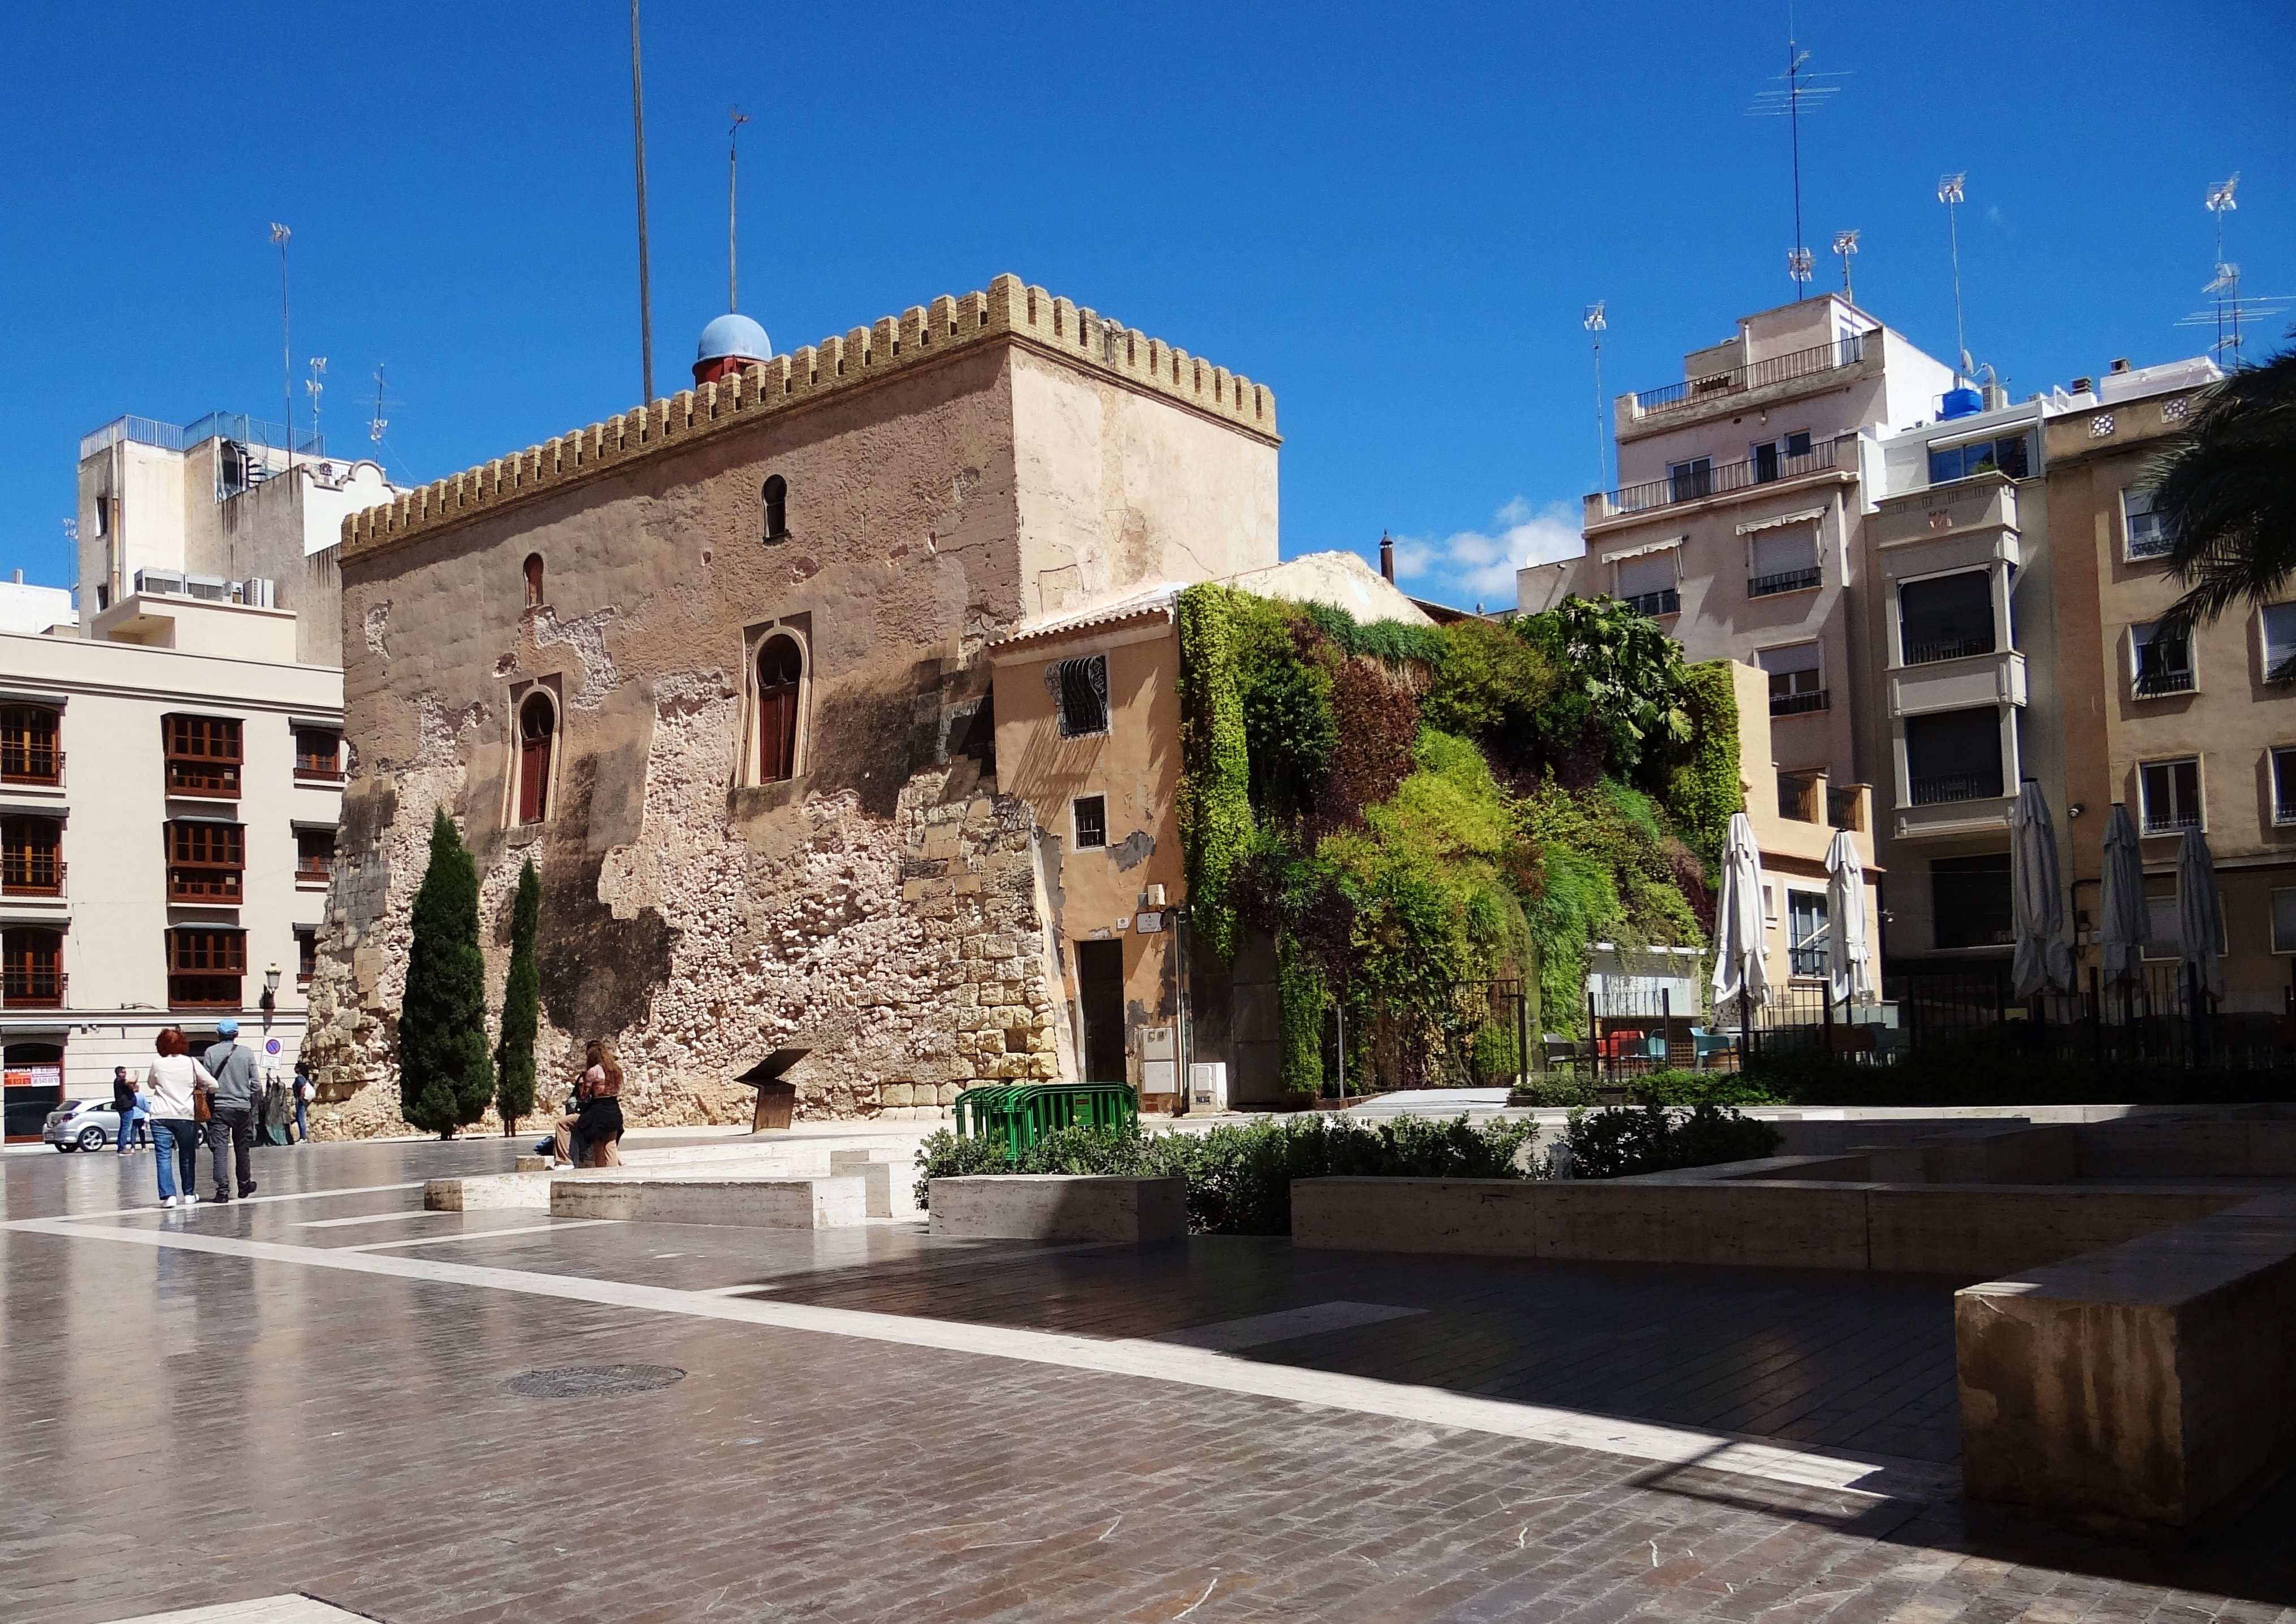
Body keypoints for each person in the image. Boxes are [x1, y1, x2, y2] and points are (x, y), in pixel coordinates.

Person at [142, 1028, 214, 1208]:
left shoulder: (157, 1064)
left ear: (161, 1045)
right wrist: (202, 1091)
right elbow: (214, 1084)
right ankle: (189, 1193)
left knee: (163, 1156)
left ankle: (169, 1196)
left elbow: (151, 1084)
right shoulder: (191, 1063)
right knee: (188, 1155)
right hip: (185, 1115)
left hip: (160, 1115)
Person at [201, 1019, 263, 1202]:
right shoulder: (246, 1053)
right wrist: (244, 1093)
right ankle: (244, 1185)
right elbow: (257, 1084)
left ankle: (222, 1190)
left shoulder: (210, 1053)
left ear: (218, 1034)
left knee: (220, 1150)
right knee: (242, 1149)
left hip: (219, 1108)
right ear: (236, 1034)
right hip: (242, 1108)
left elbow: (206, 1082)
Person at [553, 1041, 625, 1169]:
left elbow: (585, 1095)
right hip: (614, 1110)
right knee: (610, 1144)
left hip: (598, 1112)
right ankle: (612, 1175)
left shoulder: (593, 1071)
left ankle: (564, 1161)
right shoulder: (616, 1070)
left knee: (564, 1123)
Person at [110, 1065, 149, 1154]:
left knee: (124, 1128)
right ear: (119, 1073)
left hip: (128, 1108)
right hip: (125, 1108)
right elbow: (132, 1081)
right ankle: (122, 1148)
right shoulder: (119, 1081)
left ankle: (121, 1147)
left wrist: (134, 1084)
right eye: (124, 1072)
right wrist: (137, 1075)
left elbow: (132, 1086)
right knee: (126, 1129)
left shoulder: (123, 1083)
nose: (125, 1074)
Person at [292, 1061, 314, 1145]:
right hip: (304, 1100)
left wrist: (301, 1096)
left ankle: (303, 1137)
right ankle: (302, 1137)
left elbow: (303, 1087)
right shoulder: (306, 1078)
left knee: (301, 1118)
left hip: (301, 1099)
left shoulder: (300, 1078)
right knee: (300, 1117)